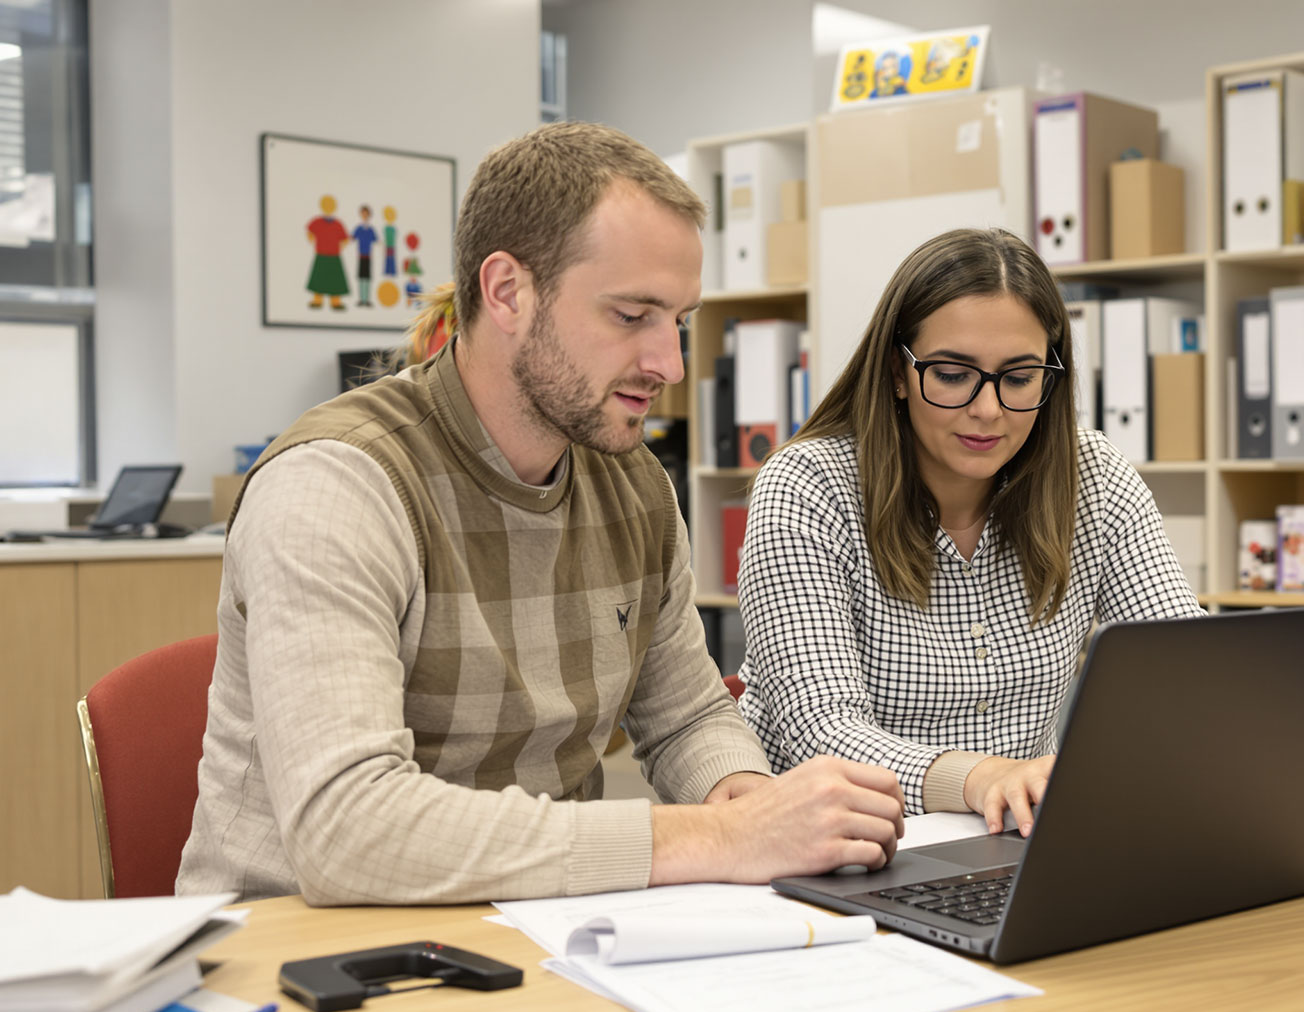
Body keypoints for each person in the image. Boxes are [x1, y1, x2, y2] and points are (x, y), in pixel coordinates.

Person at [177, 122, 904, 906]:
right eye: (633, 316)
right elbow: (348, 830)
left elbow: (689, 713)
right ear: (508, 292)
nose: (671, 365)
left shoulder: (634, 485)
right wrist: (713, 839)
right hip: (299, 960)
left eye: (680, 321)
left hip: (539, 937)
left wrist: (750, 802)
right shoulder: (335, 486)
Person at [736, 228, 1204, 838]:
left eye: (1019, 377)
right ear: (898, 374)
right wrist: (981, 779)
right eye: (954, 374)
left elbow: (1183, 661)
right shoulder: (807, 486)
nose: (989, 410)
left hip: (1011, 837)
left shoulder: (1091, 475)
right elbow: (822, 731)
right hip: (827, 845)